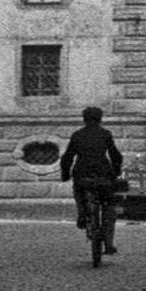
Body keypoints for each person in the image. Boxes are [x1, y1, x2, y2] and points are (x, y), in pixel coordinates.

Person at [59, 104, 125, 258]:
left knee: (79, 192)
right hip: (103, 177)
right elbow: (116, 156)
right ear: (100, 119)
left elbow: (67, 157)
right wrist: (116, 172)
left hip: (83, 176)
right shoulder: (105, 134)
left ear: (84, 119)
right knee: (109, 207)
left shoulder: (77, 135)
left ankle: (82, 213)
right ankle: (108, 244)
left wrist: (65, 174)